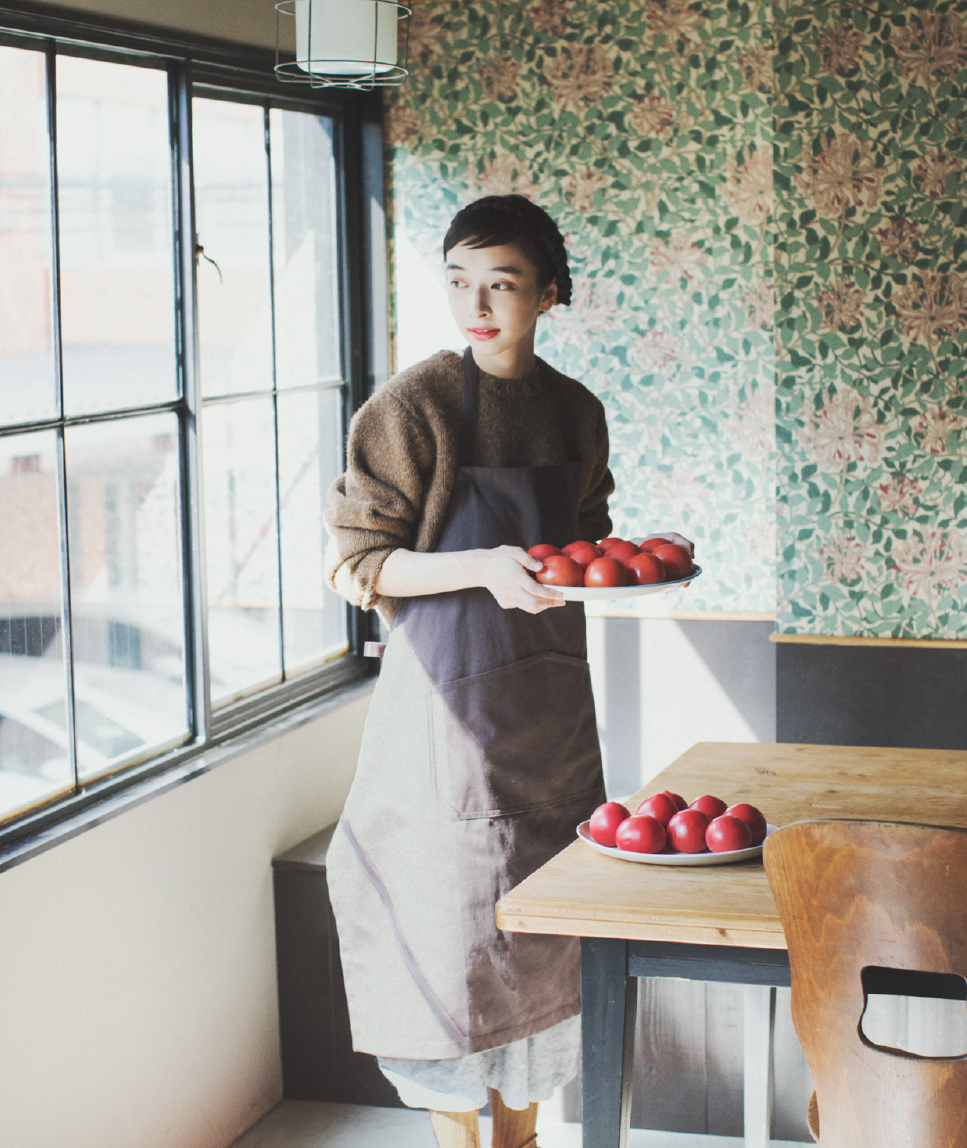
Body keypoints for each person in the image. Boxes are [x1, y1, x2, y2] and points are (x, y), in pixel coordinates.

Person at [322, 195, 686, 1148]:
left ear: (549, 293)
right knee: (450, 946)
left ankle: (522, 1137)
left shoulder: (575, 412)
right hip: (443, 721)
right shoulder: (415, 408)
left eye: (502, 284)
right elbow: (357, 565)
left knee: (545, 939)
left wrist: (622, 562)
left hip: (550, 714)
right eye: (458, 283)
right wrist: (481, 567)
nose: (475, 306)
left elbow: (586, 542)